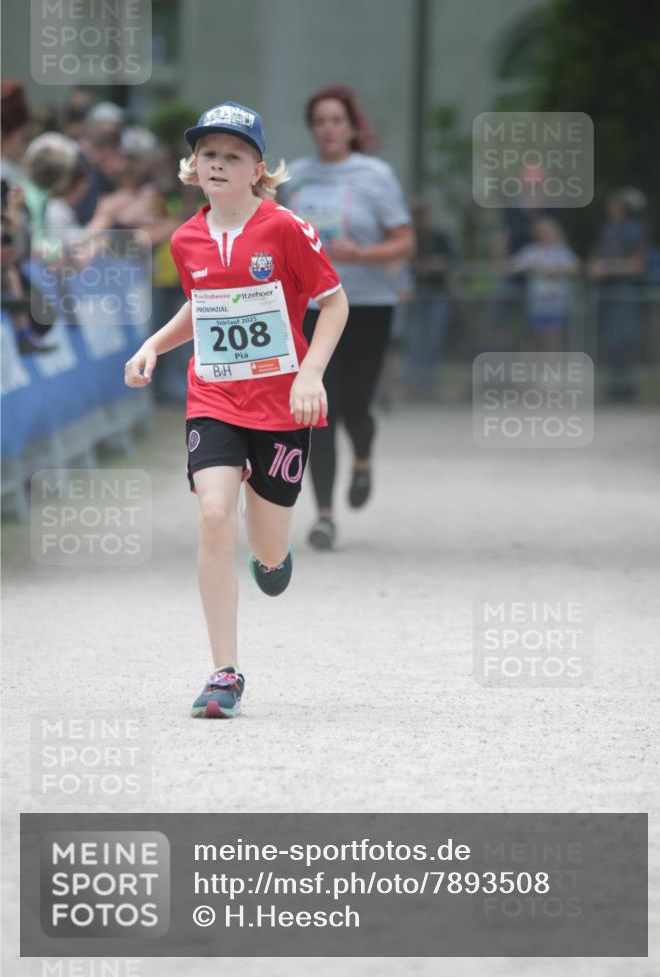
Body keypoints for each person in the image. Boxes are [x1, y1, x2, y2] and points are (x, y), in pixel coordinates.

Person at [124, 101, 348, 719]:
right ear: (193, 166)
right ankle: (224, 672)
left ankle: (271, 554)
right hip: (215, 397)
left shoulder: (286, 229)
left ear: (258, 170)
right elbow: (201, 306)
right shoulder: (186, 238)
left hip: (282, 405)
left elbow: (334, 304)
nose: (218, 164)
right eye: (208, 154)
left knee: (267, 549)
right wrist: (152, 345)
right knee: (213, 515)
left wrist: (310, 373)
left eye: (233, 155)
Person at [279, 85, 414, 550]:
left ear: (352, 127)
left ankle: (362, 459)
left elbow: (405, 242)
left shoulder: (375, 175)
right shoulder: (295, 178)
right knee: (319, 411)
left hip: (367, 305)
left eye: (336, 120)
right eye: (319, 121)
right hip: (313, 309)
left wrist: (363, 254)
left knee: (355, 408)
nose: (328, 129)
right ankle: (324, 516)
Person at [587, 188, 649, 399]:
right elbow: (595, 258)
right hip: (605, 292)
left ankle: (628, 387)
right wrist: (594, 267)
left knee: (625, 338)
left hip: (625, 291)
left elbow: (638, 265)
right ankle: (614, 387)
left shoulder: (635, 231)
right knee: (609, 339)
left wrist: (608, 268)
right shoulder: (606, 230)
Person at [403, 198, 453, 398]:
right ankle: (413, 385)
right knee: (415, 340)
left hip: (437, 293)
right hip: (416, 295)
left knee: (432, 340)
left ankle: (429, 385)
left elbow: (448, 261)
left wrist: (430, 264)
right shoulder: (410, 237)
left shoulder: (439, 236)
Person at [507, 215, 579, 352]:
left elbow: (574, 267)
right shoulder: (531, 251)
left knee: (554, 338)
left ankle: (555, 365)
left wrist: (555, 270)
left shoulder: (562, 250)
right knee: (537, 339)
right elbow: (513, 265)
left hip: (557, 304)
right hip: (537, 305)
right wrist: (530, 266)